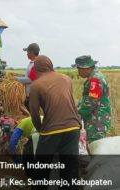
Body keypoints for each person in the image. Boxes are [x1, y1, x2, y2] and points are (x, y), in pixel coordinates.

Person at [29, 55, 81, 190]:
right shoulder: (66, 79)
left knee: (41, 169)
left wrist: (40, 128)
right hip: (74, 127)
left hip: (52, 130)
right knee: (70, 171)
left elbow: (34, 112)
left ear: (36, 69)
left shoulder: (36, 85)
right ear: (50, 65)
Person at [73, 55, 111, 144]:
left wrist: (76, 114)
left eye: (78, 69)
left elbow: (90, 103)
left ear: (85, 68)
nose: (78, 71)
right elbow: (87, 99)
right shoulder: (95, 77)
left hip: (97, 122)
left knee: (95, 147)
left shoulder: (95, 80)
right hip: (96, 119)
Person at [15, 43, 40, 110]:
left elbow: (30, 79)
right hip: (28, 93)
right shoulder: (32, 63)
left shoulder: (36, 64)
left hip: (32, 94)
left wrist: (15, 79)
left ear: (32, 52)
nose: (27, 54)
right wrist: (18, 75)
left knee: (31, 112)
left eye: (28, 52)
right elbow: (28, 75)